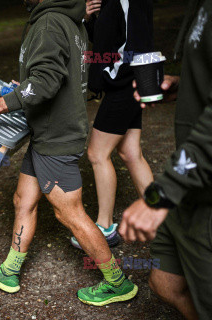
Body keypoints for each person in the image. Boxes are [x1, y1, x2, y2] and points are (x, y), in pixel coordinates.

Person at [0, 0, 138, 306]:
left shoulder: (49, 23)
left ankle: (117, 283)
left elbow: (45, 82)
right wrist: (25, 87)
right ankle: (9, 271)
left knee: (69, 213)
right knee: (23, 200)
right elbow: (59, 76)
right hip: (50, 132)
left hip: (56, 138)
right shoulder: (72, 21)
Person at [119, 1, 212, 318]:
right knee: (165, 282)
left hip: (200, 191)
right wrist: (185, 87)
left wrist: (161, 194)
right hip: (190, 189)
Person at [69, 0, 155, 249]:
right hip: (124, 86)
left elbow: (137, 45)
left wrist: (110, 77)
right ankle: (164, 219)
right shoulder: (108, 1)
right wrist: (89, 19)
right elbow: (107, 40)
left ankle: (104, 226)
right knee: (130, 153)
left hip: (125, 87)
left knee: (97, 153)